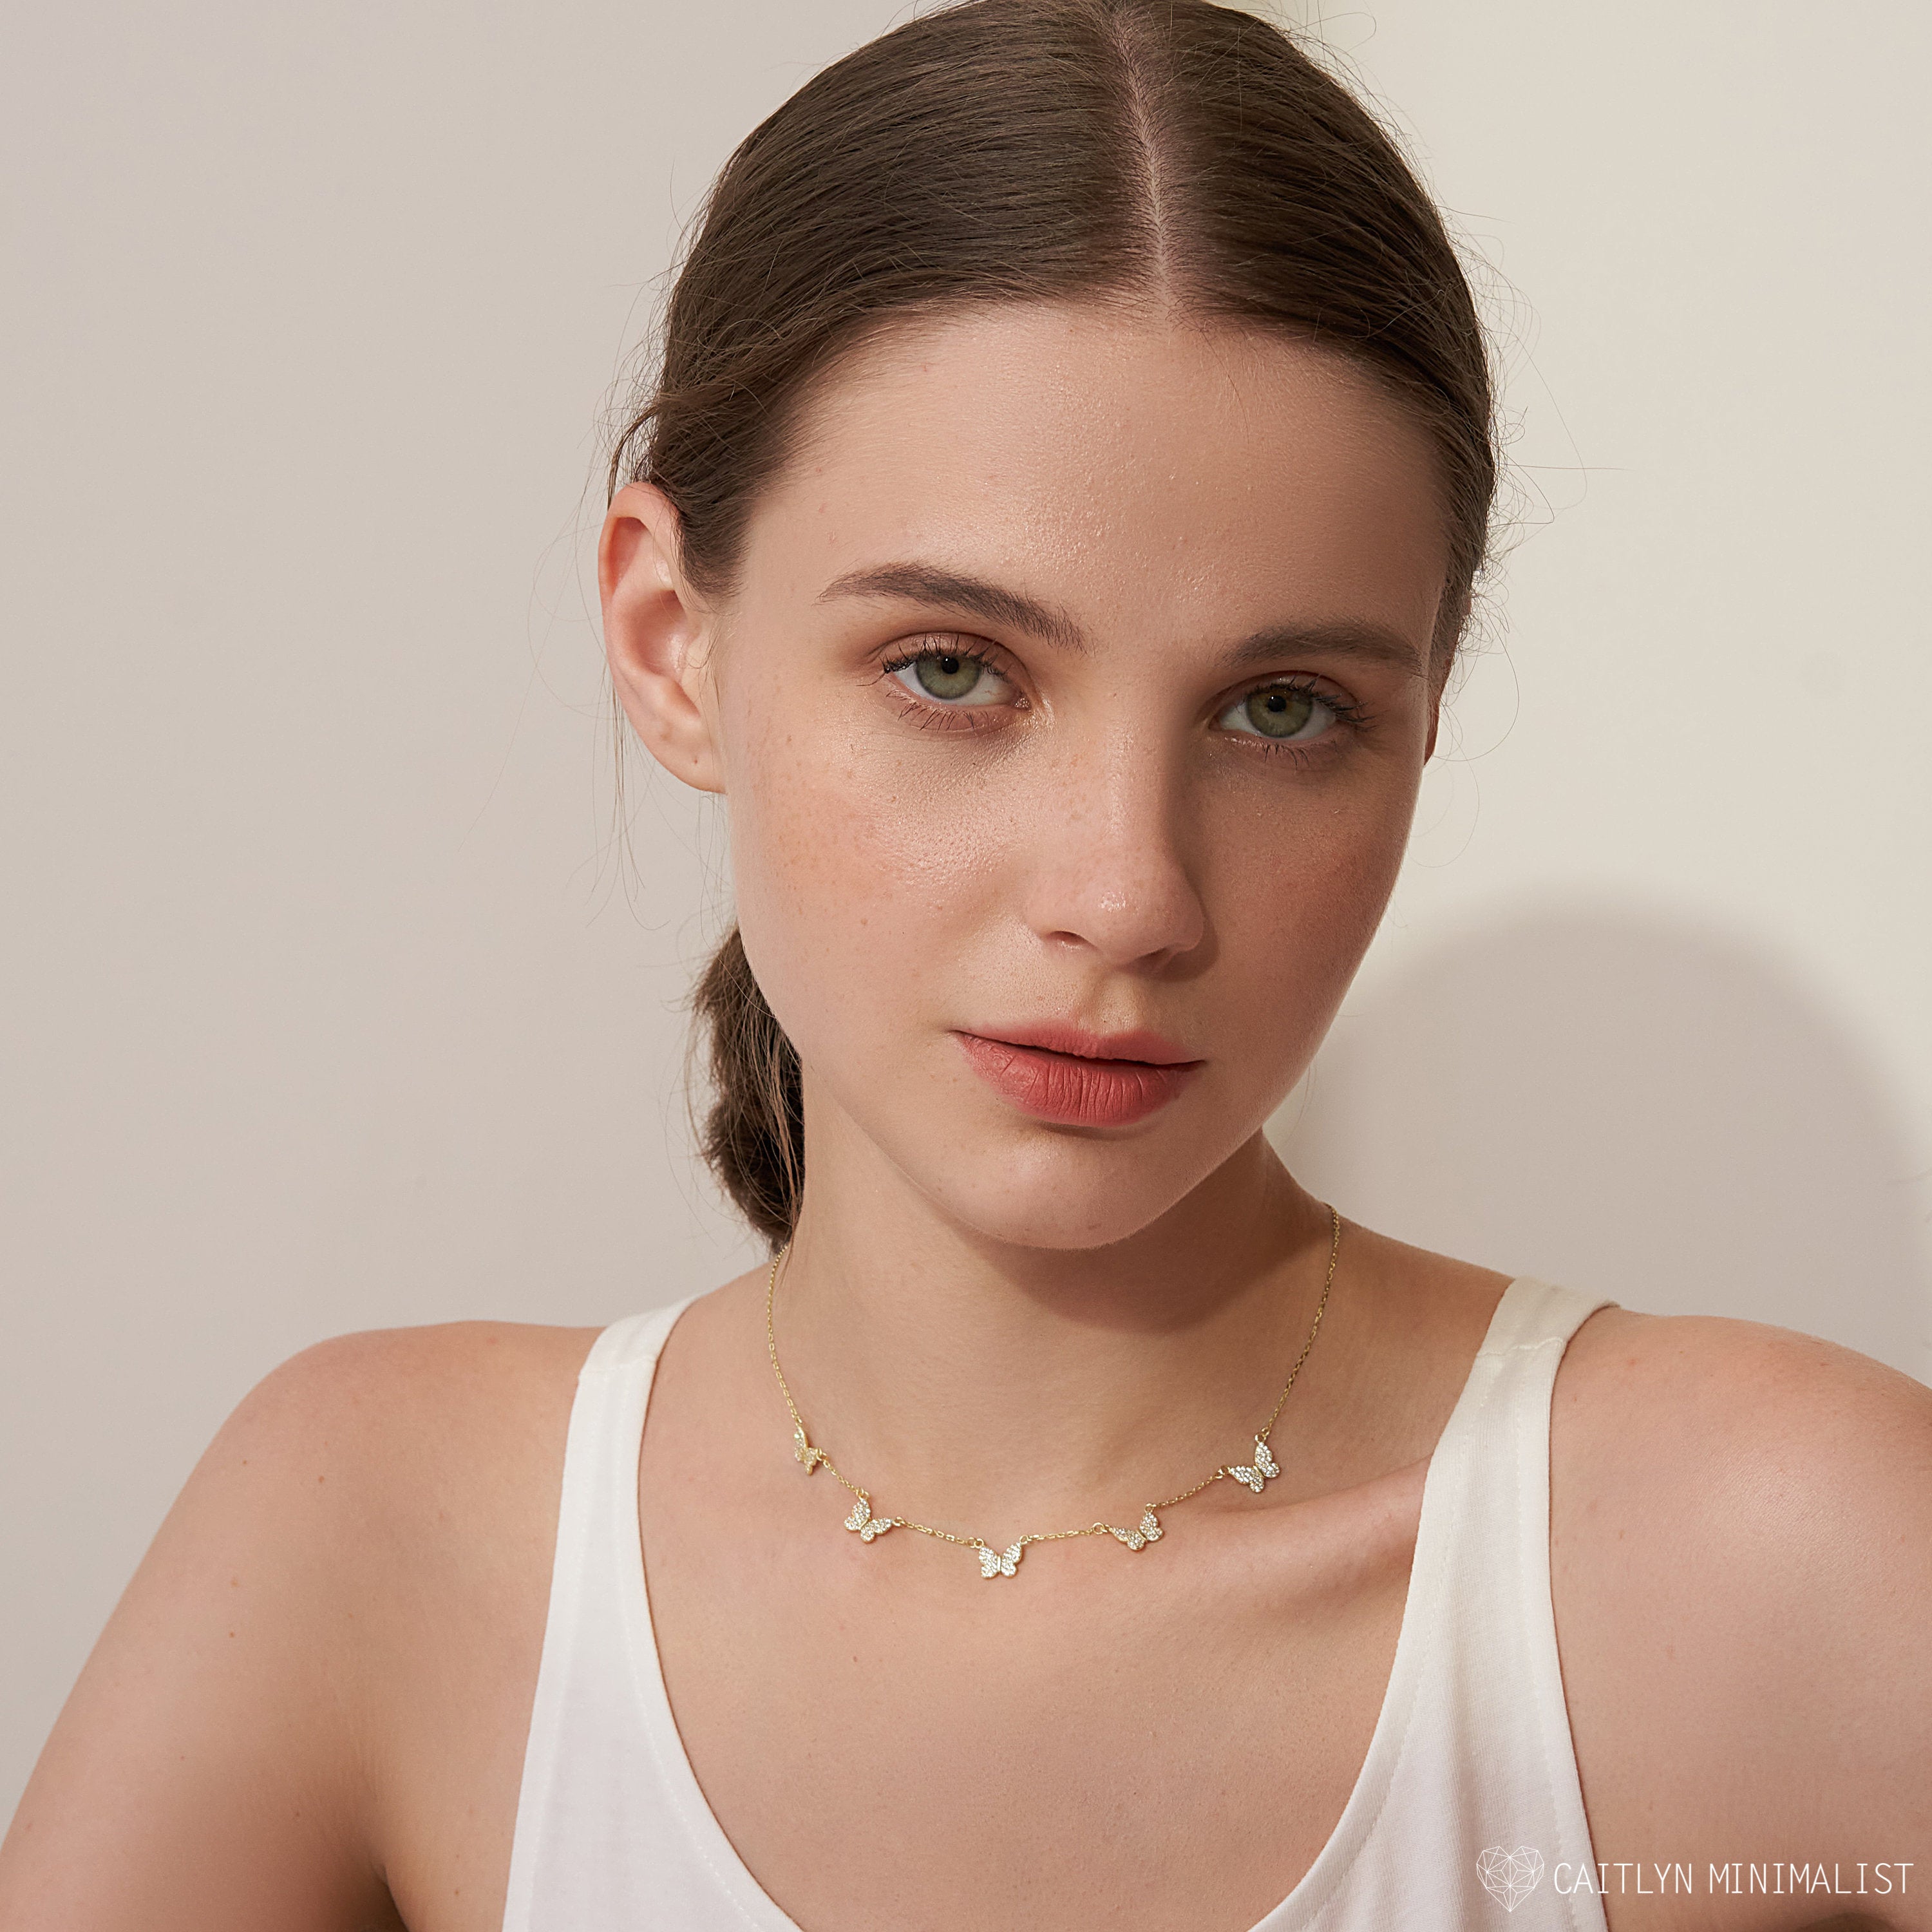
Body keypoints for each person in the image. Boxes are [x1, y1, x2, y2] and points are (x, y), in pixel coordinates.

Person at [3, 0, 1927, 1926]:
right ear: (675, 637)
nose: (1128, 894)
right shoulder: (383, 1550)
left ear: (1421, 721)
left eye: (1281, 708)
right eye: (953, 670)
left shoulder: (1782, 1572)